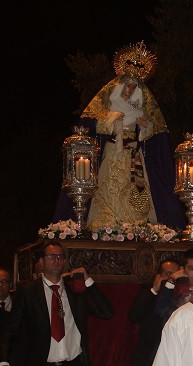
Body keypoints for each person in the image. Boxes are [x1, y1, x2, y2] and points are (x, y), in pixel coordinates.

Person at [79, 42, 184, 230]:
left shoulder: (139, 110)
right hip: (113, 154)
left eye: (134, 88)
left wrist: (145, 127)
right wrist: (112, 119)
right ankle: (106, 225)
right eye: (127, 86)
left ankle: (135, 226)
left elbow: (152, 137)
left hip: (134, 156)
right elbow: (93, 125)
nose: (130, 91)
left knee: (137, 192)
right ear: (119, 87)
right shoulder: (110, 105)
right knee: (110, 189)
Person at [154, 248, 193, 320]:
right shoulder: (173, 289)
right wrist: (173, 277)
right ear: (182, 270)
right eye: (192, 268)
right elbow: (161, 312)